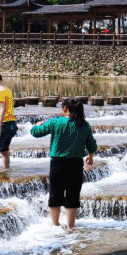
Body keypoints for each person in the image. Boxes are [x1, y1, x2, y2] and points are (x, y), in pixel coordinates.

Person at [31, 98, 98, 231]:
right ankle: (70, 227)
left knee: (55, 194)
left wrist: (36, 126)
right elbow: (92, 145)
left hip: (57, 164)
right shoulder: (84, 125)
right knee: (72, 196)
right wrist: (90, 156)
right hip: (76, 165)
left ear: (65, 109)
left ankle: (55, 225)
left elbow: (36, 133)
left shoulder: (55, 123)